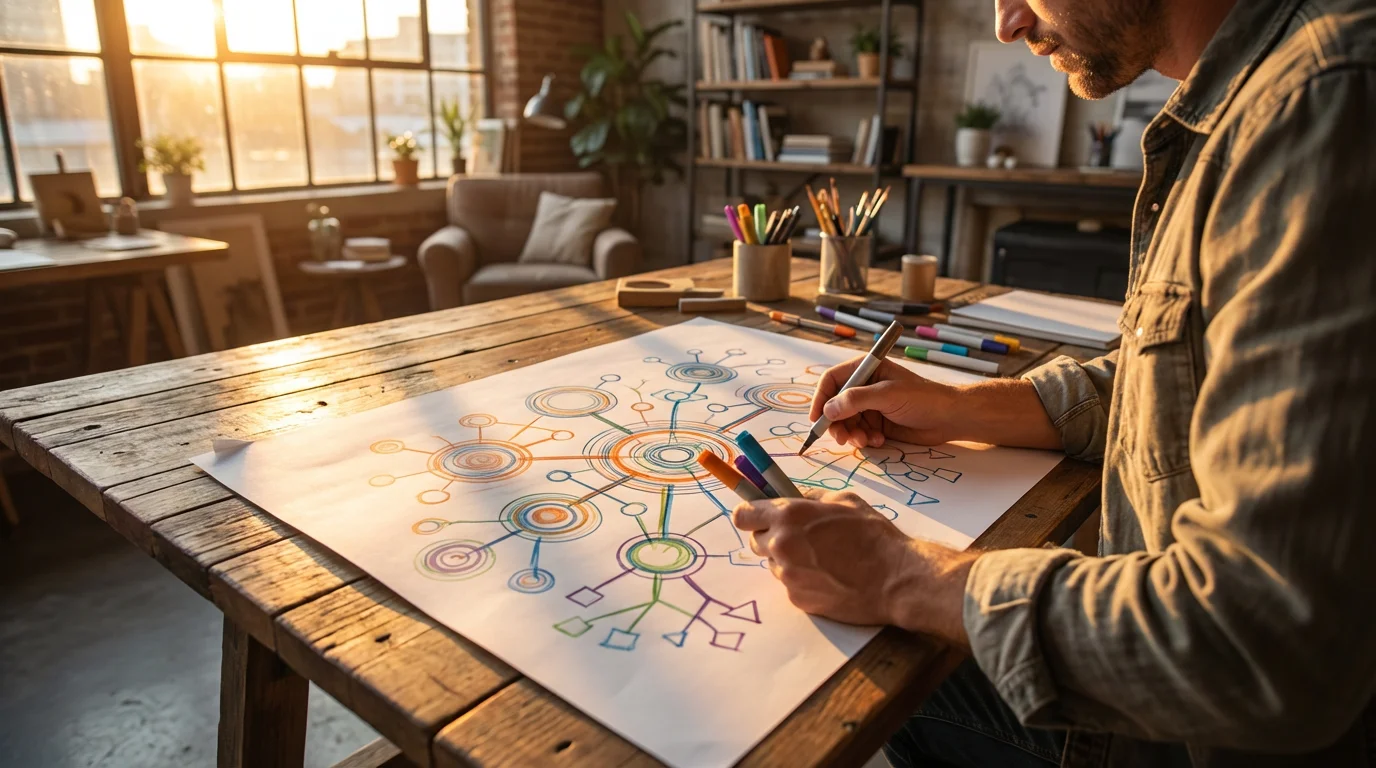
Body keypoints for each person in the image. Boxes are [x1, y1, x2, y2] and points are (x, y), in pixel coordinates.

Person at [732, 0, 1376, 764]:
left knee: (867, 669)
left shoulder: (1318, 108)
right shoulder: (1250, 99)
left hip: (1179, 740)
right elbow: (1180, 373)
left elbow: (1262, 644)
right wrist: (960, 405)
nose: (1006, 23)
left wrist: (902, 573)